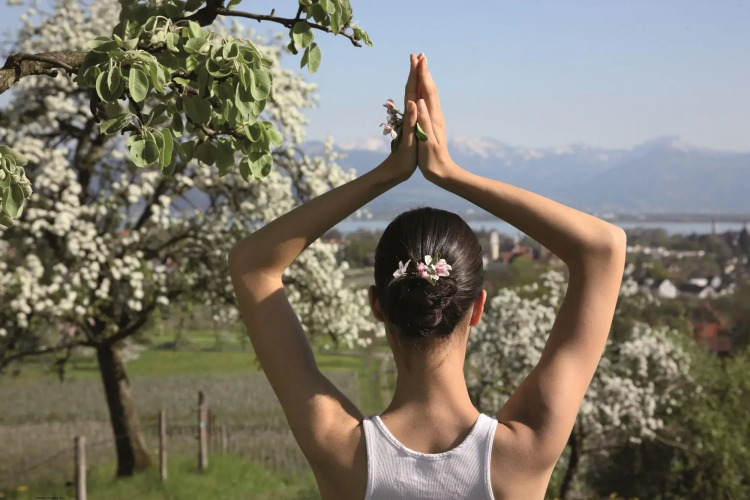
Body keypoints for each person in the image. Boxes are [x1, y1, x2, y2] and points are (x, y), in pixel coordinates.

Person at [229, 53, 626, 500]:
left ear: (377, 305)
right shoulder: (522, 452)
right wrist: (449, 173)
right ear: (477, 308)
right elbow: (604, 249)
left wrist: (389, 173)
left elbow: (252, 264)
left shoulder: (341, 449)